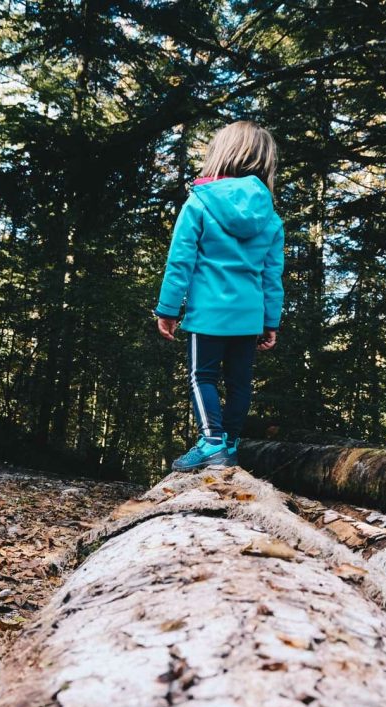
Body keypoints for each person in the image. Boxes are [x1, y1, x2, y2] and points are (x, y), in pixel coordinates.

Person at [154, 121, 284, 471]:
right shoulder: (269, 216)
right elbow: (272, 275)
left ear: (222, 153)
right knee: (240, 381)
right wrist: (271, 320)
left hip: (208, 314)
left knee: (203, 377)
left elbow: (180, 261)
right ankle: (230, 444)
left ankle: (211, 442)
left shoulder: (199, 203)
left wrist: (167, 309)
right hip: (248, 317)